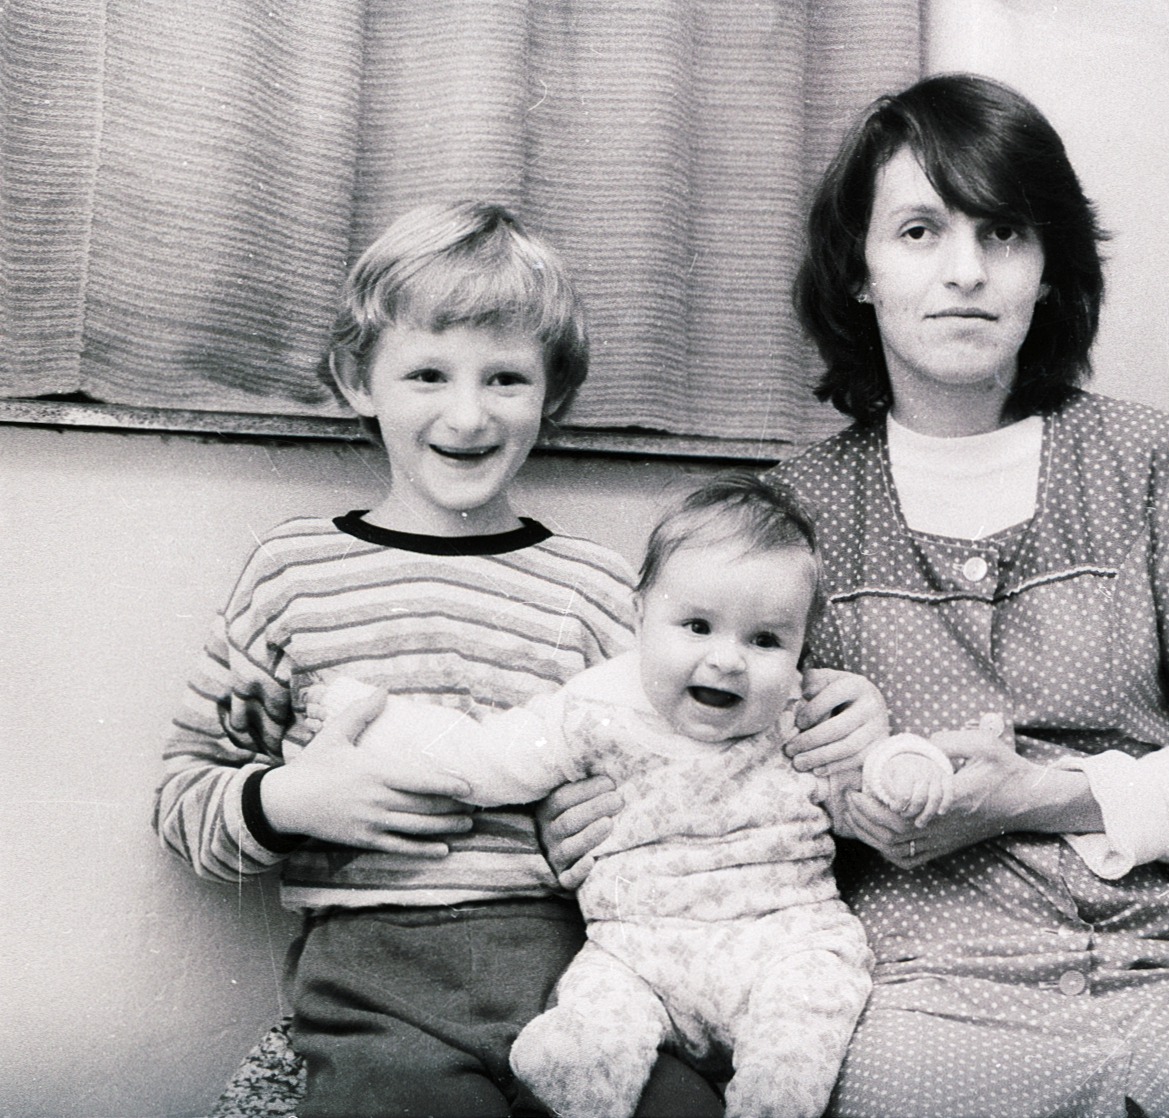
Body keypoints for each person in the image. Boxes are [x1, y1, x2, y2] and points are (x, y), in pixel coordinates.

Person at [551, 74, 1169, 1118]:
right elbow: (693, 734)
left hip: (1153, 974)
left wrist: (1045, 794)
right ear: (861, 272)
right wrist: (586, 809)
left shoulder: (1156, 462)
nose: (965, 271)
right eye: (919, 231)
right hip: (918, 984)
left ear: (1048, 268)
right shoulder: (795, 510)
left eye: (1002, 232)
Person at [153, 202, 884, 1118]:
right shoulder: (292, 573)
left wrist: (836, 708)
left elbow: (712, 755)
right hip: (372, 976)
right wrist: (288, 800)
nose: (467, 414)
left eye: (505, 378)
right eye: (426, 373)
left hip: (572, 966)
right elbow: (185, 801)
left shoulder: (594, 588)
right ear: (358, 380)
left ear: (552, 395)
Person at [309, 475, 935, 1118]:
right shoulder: (594, 709)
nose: (727, 660)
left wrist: (904, 767)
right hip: (638, 952)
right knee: (590, 1033)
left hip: (781, 940)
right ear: (641, 616)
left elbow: (863, 793)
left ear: (802, 647)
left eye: (766, 640)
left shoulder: (797, 719)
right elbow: (485, 759)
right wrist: (371, 719)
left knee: (807, 1018)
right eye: (697, 625)